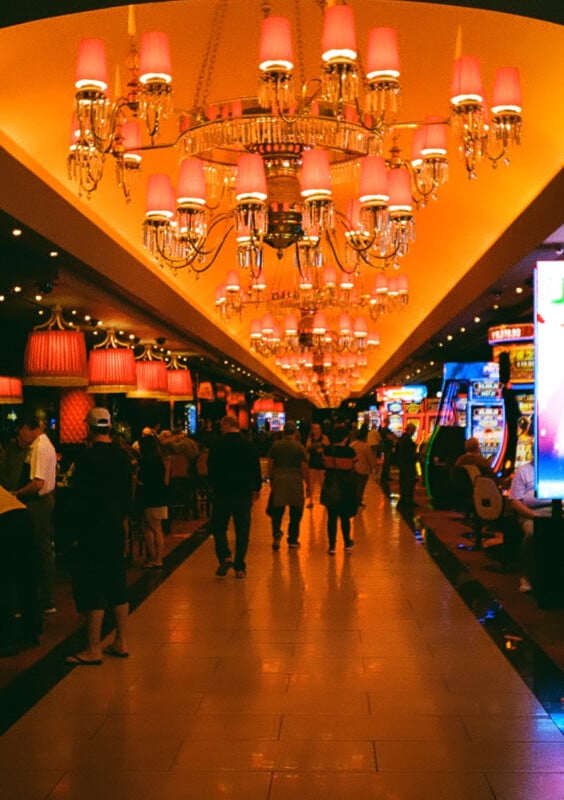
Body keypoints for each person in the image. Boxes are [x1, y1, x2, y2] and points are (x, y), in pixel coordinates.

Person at [66, 407, 133, 665]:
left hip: (91, 528)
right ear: (109, 427)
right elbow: (128, 494)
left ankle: (93, 648)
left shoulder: (87, 458)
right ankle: (122, 640)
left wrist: (72, 530)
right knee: (117, 582)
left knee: (91, 583)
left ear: (90, 428)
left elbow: (80, 497)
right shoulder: (122, 456)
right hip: (115, 526)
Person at [13, 411, 58, 615]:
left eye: (20, 432)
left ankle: (43, 598)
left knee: (39, 549)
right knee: (42, 547)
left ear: (25, 428)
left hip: (38, 503)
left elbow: (37, 483)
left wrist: (16, 494)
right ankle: (44, 596)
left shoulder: (39, 447)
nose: (19, 437)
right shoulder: (44, 444)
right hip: (45, 500)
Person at [207, 415, 262, 579]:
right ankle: (240, 566)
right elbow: (256, 468)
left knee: (218, 527)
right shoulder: (248, 445)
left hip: (222, 493)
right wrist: (256, 488)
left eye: (222, 426)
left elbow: (211, 470)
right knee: (242, 530)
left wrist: (212, 487)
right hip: (243, 493)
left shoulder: (217, 445)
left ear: (226, 425)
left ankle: (225, 556)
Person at [0, 486, 42, 656]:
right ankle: (31, 631)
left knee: (4, 581)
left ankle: (5, 639)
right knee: (26, 579)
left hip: (4, 521)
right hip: (21, 514)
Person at [509, 459, 552, 593]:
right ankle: (526, 576)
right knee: (533, 533)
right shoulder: (523, 471)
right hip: (530, 513)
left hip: (556, 510)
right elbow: (515, 501)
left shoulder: (557, 468)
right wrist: (533, 515)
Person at [267, 420, 310, 550]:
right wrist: (308, 484)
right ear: (295, 432)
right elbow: (304, 467)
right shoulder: (299, 447)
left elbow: (270, 463)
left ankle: (276, 533)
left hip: (279, 479)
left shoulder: (276, 446)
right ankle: (292, 540)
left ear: (283, 431)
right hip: (295, 480)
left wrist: (271, 478)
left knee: (277, 511)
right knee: (296, 511)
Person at [321, 423, 357, 554]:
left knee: (331, 517)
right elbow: (354, 467)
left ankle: (332, 546)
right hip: (346, 486)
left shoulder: (328, 451)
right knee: (345, 516)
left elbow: (324, 464)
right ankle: (347, 542)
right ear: (345, 438)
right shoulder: (350, 452)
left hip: (331, 485)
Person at [136, 432, 168, 569]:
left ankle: (155, 558)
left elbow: (142, 480)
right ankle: (157, 558)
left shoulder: (145, 461)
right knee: (157, 528)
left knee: (150, 528)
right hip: (160, 496)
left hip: (149, 497)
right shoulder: (159, 460)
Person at [349, 428, 376, 509]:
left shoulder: (352, 445)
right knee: (361, 486)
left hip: (353, 468)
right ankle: (358, 501)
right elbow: (370, 458)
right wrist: (373, 467)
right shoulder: (366, 446)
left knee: (354, 485)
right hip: (363, 469)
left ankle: (353, 500)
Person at [304, 422, 329, 508]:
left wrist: (323, 450)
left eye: (317, 428)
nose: (316, 430)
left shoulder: (324, 438)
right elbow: (307, 449)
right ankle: (310, 501)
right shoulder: (310, 439)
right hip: (313, 463)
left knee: (323, 483)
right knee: (311, 483)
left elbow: (328, 448)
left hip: (322, 463)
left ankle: (325, 500)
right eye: (314, 428)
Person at [396, 422, 418, 510]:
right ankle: (407, 501)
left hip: (404, 463)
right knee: (408, 483)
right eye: (413, 431)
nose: (414, 432)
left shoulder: (403, 438)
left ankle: (406, 500)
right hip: (407, 464)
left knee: (405, 482)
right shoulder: (406, 440)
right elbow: (409, 453)